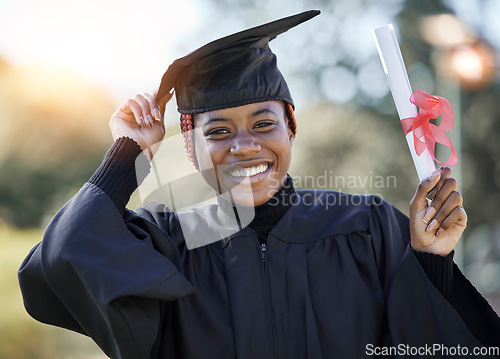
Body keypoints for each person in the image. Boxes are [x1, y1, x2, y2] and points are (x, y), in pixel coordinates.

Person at [18, 10, 500, 359]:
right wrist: (128, 153)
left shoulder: (368, 227)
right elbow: (65, 257)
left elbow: (433, 344)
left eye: (263, 123)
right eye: (218, 131)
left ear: (292, 126)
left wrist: (430, 262)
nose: (244, 145)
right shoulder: (168, 244)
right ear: (189, 148)